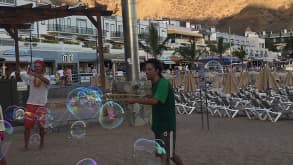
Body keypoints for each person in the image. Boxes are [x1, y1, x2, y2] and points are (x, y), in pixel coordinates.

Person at [126, 59, 184, 165]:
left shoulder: (162, 83)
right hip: (159, 125)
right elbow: (157, 98)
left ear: (157, 70)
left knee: (169, 154)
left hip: (167, 125)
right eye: (145, 69)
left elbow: (154, 101)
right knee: (163, 154)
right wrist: (149, 95)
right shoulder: (155, 84)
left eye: (149, 69)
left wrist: (134, 100)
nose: (146, 72)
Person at [20, 60, 50, 150]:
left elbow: (47, 82)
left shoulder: (46, 76)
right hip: (30, 104)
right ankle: (26, 145)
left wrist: (34, 74)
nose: (37, 68)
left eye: (38, 66)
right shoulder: (30, 77)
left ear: (42, 67)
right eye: (35, 66)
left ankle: (41, 143)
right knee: (27, 126)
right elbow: (21, 74)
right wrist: (20, 71)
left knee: (41, 127)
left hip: (41, 105)